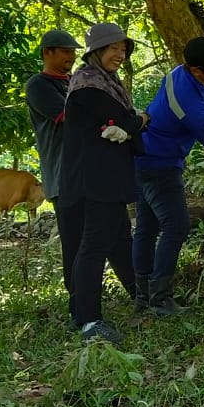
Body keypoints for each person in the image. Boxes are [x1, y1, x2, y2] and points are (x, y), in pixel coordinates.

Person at [58, 23, 146, 344]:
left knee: (120, 239)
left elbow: (121, 123)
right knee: (93, 246)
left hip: (102, 178)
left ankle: (142, 294)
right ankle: (88, 320)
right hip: (95, 180)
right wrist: (141, 119)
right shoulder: (89, 85)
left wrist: (131, 123)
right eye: (113, 49)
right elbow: (125, 121)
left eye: (123, 50)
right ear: (96, 52)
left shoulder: (106, 83)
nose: (119, 55)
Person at [132, 37, 204, 315]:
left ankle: (143, 297)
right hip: (159, 164)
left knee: (146, 229)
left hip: (142, 156)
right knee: (177, 226)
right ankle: (160, 299)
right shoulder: (191, 108)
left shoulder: (178, 73)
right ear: (197, 71)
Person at [25, 28, 80, 314]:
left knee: (100, 237)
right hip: (61, 176)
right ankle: (77, 302)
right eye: (65, 51)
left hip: (85, 173)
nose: (71, 56)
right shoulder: (39, 85)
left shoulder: (75, 81)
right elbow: (71, 117)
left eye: (73, 51)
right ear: (47, 52)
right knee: (72, 241)